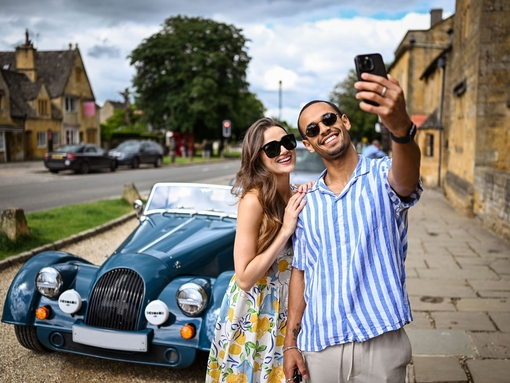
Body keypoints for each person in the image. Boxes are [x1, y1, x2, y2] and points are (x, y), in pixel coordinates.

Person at [283, 72, 422, 383]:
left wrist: (400, 128)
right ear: (308, 144)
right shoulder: (306, 202)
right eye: (313, 129)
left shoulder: (383, 175)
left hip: (380, 340)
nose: (324, 129)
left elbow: (407, 177)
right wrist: (291, 341)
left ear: (344, 121)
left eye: (329, 118)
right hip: (320, 347)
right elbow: (301, 272)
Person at [206, 118, 310, 383]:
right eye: (272, 148)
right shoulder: (254, 200)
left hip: (293, 307)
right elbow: (244, 277)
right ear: (258, 159)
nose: (284, 151)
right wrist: (285, 230)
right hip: (256, 310)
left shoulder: (300, 195)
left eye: (287, 142)